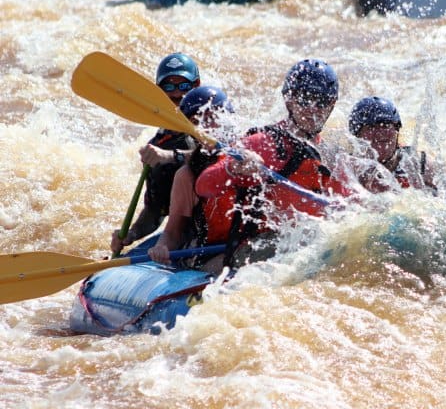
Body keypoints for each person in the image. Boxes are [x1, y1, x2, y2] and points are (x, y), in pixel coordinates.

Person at [192, 58, 352, 271]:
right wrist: (234, 168)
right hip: (257, 248)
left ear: (332, 106)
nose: (313, 109)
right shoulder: (263, 143)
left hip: (309, 249)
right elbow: (204, 185)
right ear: (289, 101)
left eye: (321, 101)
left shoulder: (333, 156)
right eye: (304, 100)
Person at [111, 52, 202, 255]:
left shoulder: (215, 120)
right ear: (159, 92)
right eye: (169, 87)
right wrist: (132, 234)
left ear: (197, 85)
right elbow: (155, 212)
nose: (177, 94)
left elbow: (218, 155)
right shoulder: (158, 145)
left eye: (184, 86)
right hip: (189, 231)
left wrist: (171, 156)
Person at [147, 85, 238, 271]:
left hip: (243, 245)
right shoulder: (187, 176)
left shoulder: (249, 160)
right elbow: (173, 232)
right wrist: (161, 247)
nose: (206, 127)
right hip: (206, 252)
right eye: (196, 121)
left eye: (213, 117)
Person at [344, 96, 437, 193]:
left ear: (396, 130)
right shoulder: (348, 170)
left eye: (385, 125)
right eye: (371, 127)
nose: (380, 132)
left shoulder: (419, 165)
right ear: (357, 135)